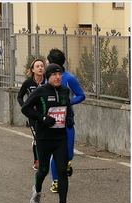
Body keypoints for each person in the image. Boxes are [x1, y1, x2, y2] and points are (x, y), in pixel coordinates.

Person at [21, 63, 74, 203]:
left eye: (60, 74)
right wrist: (42, 118)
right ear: (48, 76)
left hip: (60, 137)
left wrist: (69, 118)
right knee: (43, 170)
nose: (58, 77)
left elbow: (67, 107)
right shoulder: (40, 91)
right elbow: (26, 108)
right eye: (54, 75)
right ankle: (37, 191)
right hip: (44, 138)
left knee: (62, 170)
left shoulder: (65, 91)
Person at [46, 48, 86, 193]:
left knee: (68, 154)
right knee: (56, 153)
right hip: (51, 122)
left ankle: (67, 162)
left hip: (67, 121)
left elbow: (81, 95)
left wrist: (69, 103)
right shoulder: (46, 77)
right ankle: (55, 181)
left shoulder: (69, 78)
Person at [17, 59, 45, 171]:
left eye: (42, 66)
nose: (40, 68)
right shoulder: (28, 83)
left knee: (44, 138)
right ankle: (37, 161)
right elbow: (19, 96)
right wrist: (25, 107)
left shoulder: (47, 82)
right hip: (33, 115)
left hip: (45, 114)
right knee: (37, 137)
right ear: (33, 69)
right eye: (37, 66)